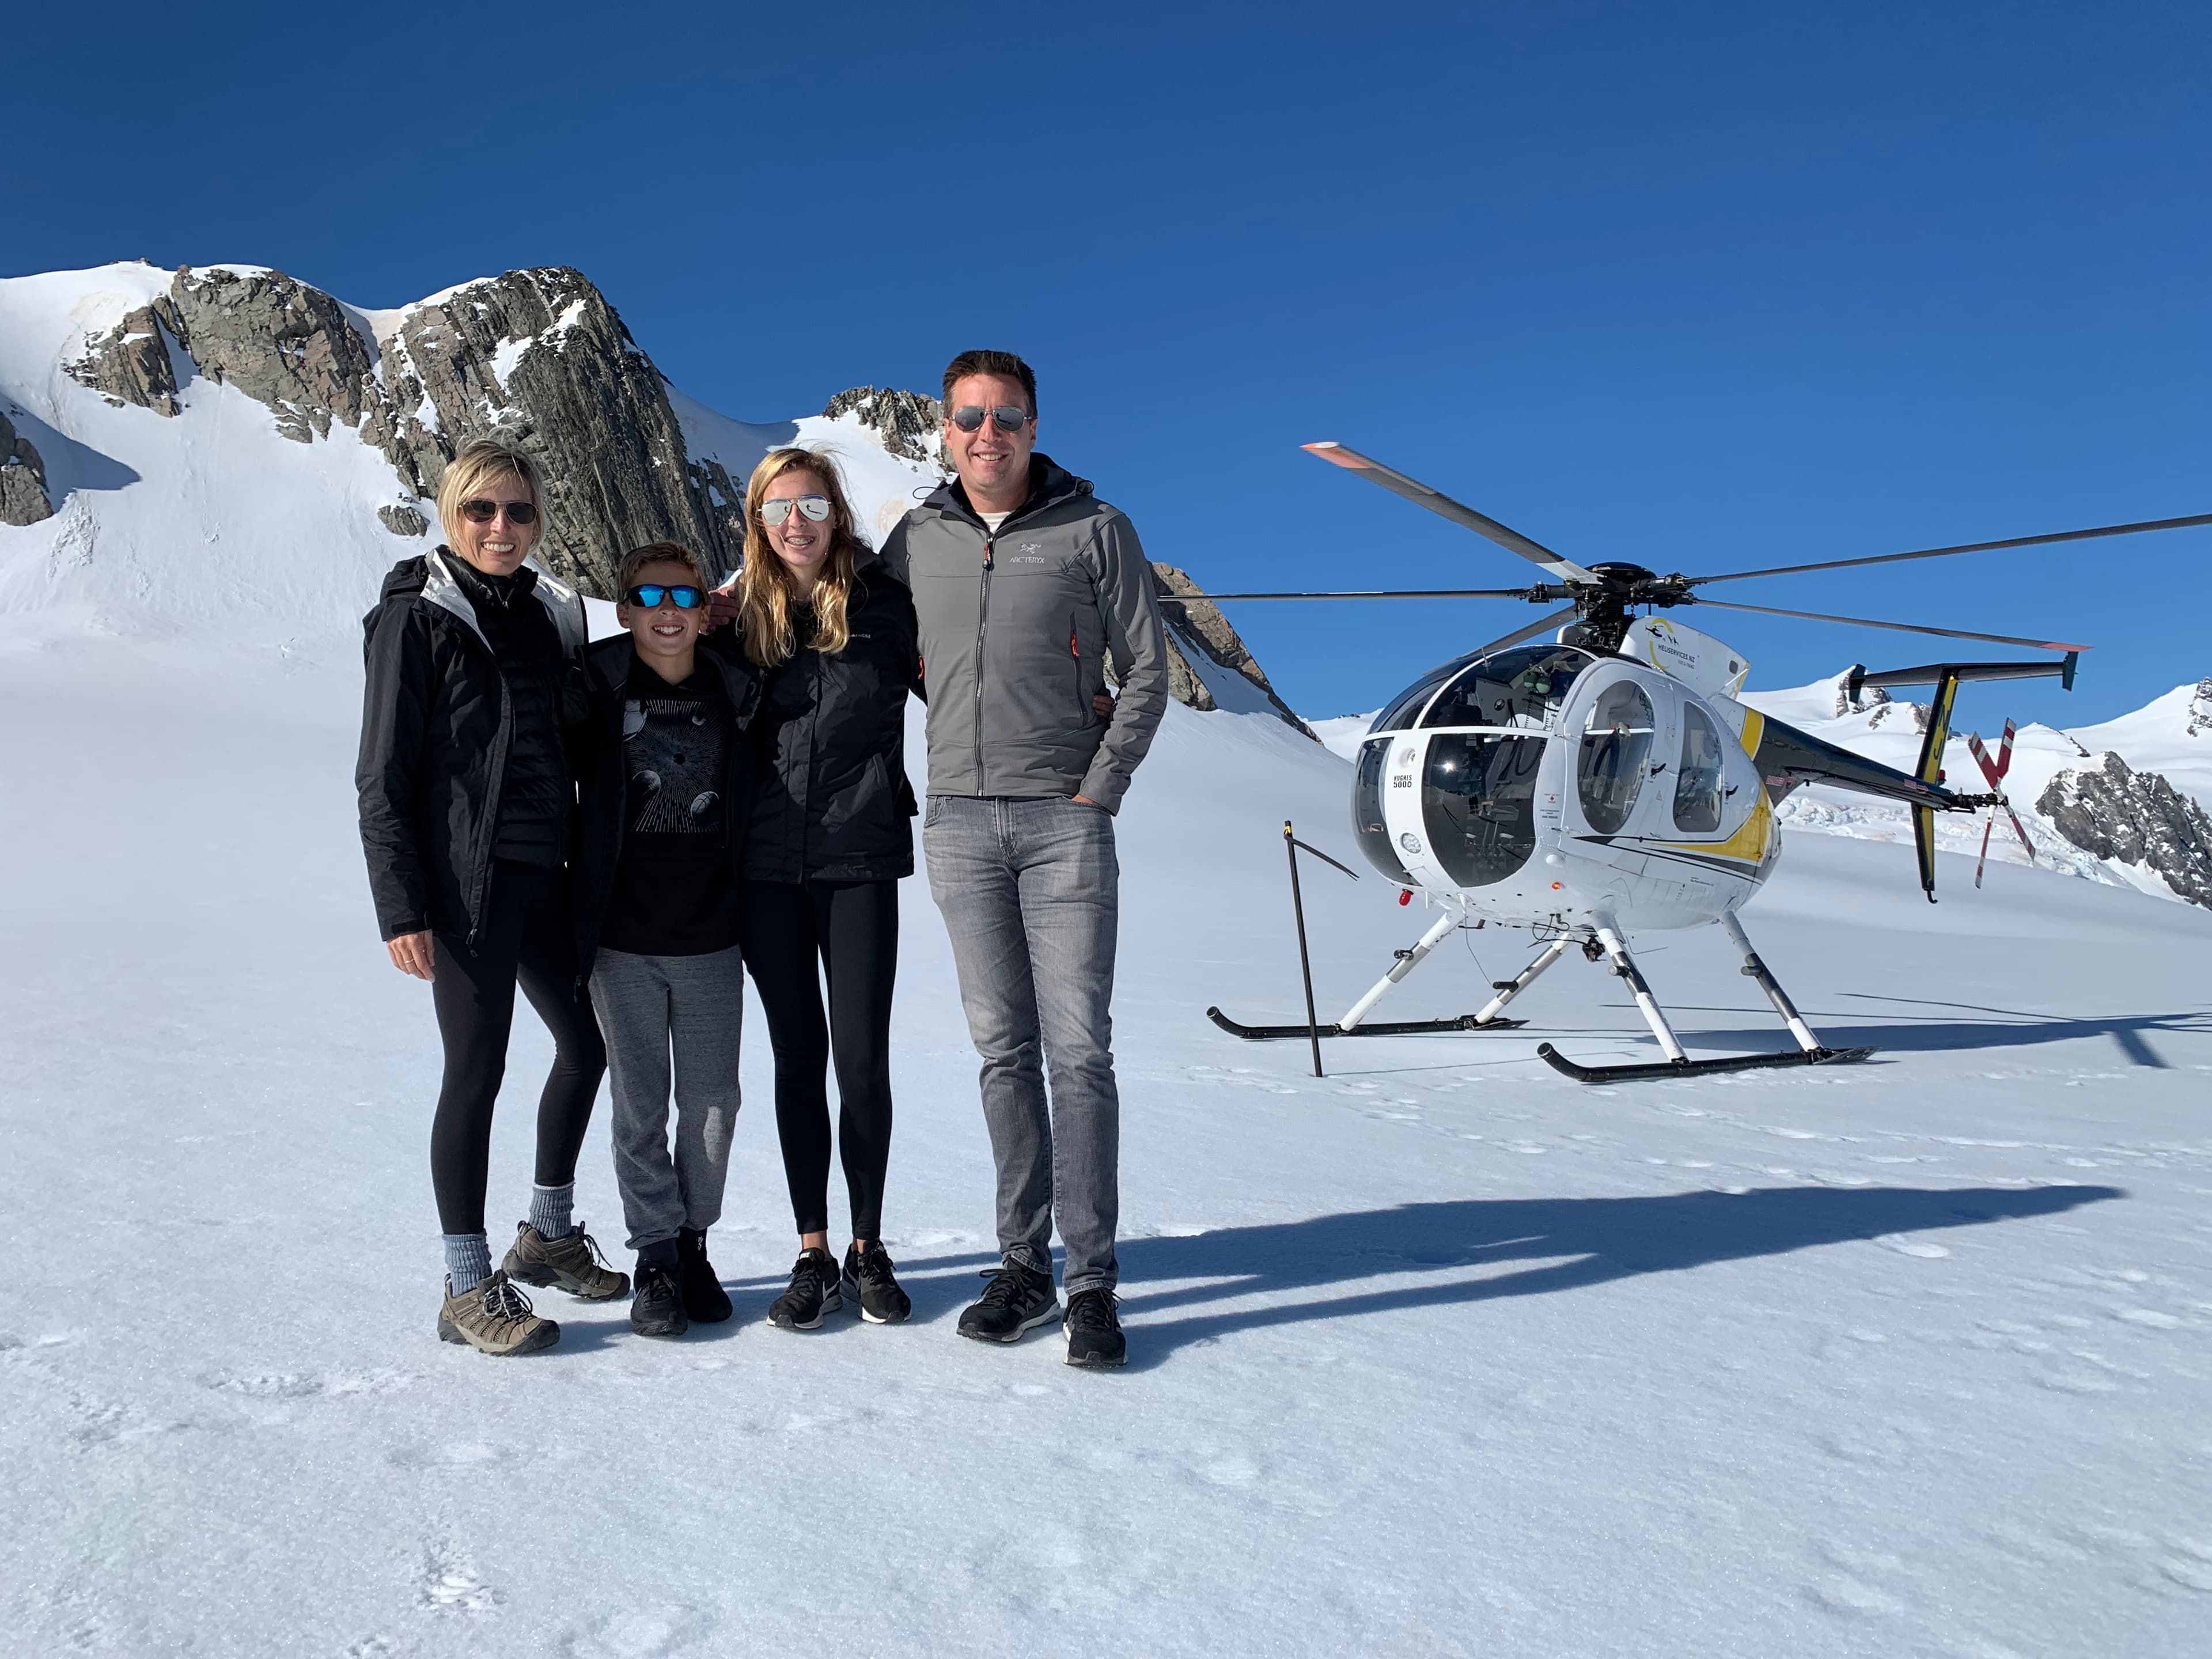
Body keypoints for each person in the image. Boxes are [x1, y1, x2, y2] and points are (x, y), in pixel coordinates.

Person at [878, 350, 1170, 1368]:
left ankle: (1091, 1283)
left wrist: (1099, 787)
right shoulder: (916, 539)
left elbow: (1148, 668)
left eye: (1006, 416)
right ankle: (1024, 1267)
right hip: (959, 823)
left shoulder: (1096, 531)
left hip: (1063, 824)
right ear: (945, 430)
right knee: (1003, 1055)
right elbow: (864, 639)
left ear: (1035, 426)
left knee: (1078, 1055)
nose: (987, 434)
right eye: (969, 418)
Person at [357, 438, 626, 1358]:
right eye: (481, 511)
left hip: (545, 874)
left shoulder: (552, 615)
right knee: (476, 1071)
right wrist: (401, 905)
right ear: (450, 514)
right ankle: (468, 1286)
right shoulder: (419, 617)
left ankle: (546, 1234)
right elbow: (382, 772)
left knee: (588, 1046)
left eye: (517, 511)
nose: (500, 528)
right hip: (465, 889)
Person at [729, 449, 923, 1331]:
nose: (796, 522)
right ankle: (813, 1249)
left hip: (859, 862)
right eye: (778, 509)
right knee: (796, 1062)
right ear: (758, 525)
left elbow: (966, 684)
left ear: (836, 514)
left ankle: (868, 1246)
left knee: (864, 1062)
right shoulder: (736, 619)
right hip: (765, 871)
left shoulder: (888, 607)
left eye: (811, 504)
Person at [573, 542, 761, 1339]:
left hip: (714, 934)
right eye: (648, 598)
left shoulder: (736, 686)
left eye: (683, 598)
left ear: (703, 608)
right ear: (624, 612)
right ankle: (655, 1256)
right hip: (620, 939)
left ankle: (693, 1244)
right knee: (639, 1106)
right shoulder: (592, 683)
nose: (667, 611)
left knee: (714, 1103)